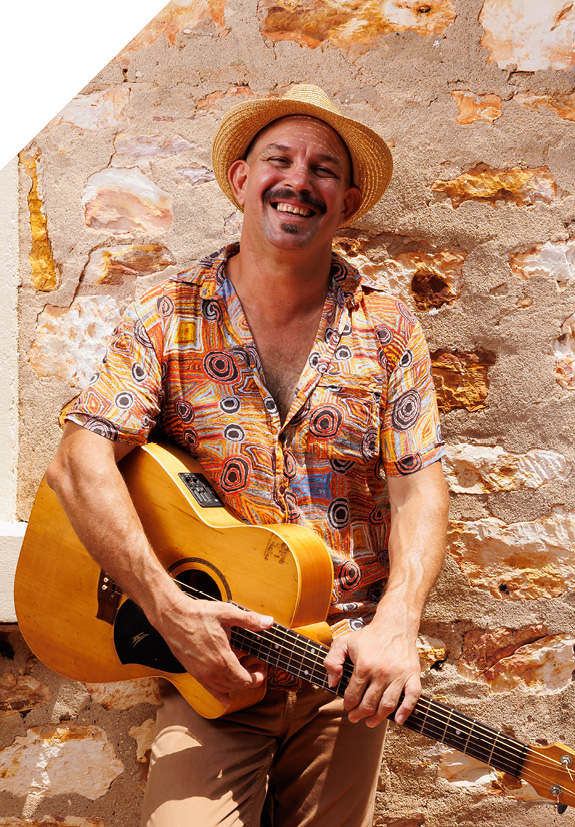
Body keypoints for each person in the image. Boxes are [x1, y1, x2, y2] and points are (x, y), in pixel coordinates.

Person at [45, 84, 449, 827]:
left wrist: (399, 621)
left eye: (323, 168)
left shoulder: (387, 326)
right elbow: (80, 457)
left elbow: (417, 483)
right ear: (240, 178)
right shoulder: (167, 311)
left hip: (339, 674)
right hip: (212, 671)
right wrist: (169, 610)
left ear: (347, 200)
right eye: (279, 159)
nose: (299, 180)